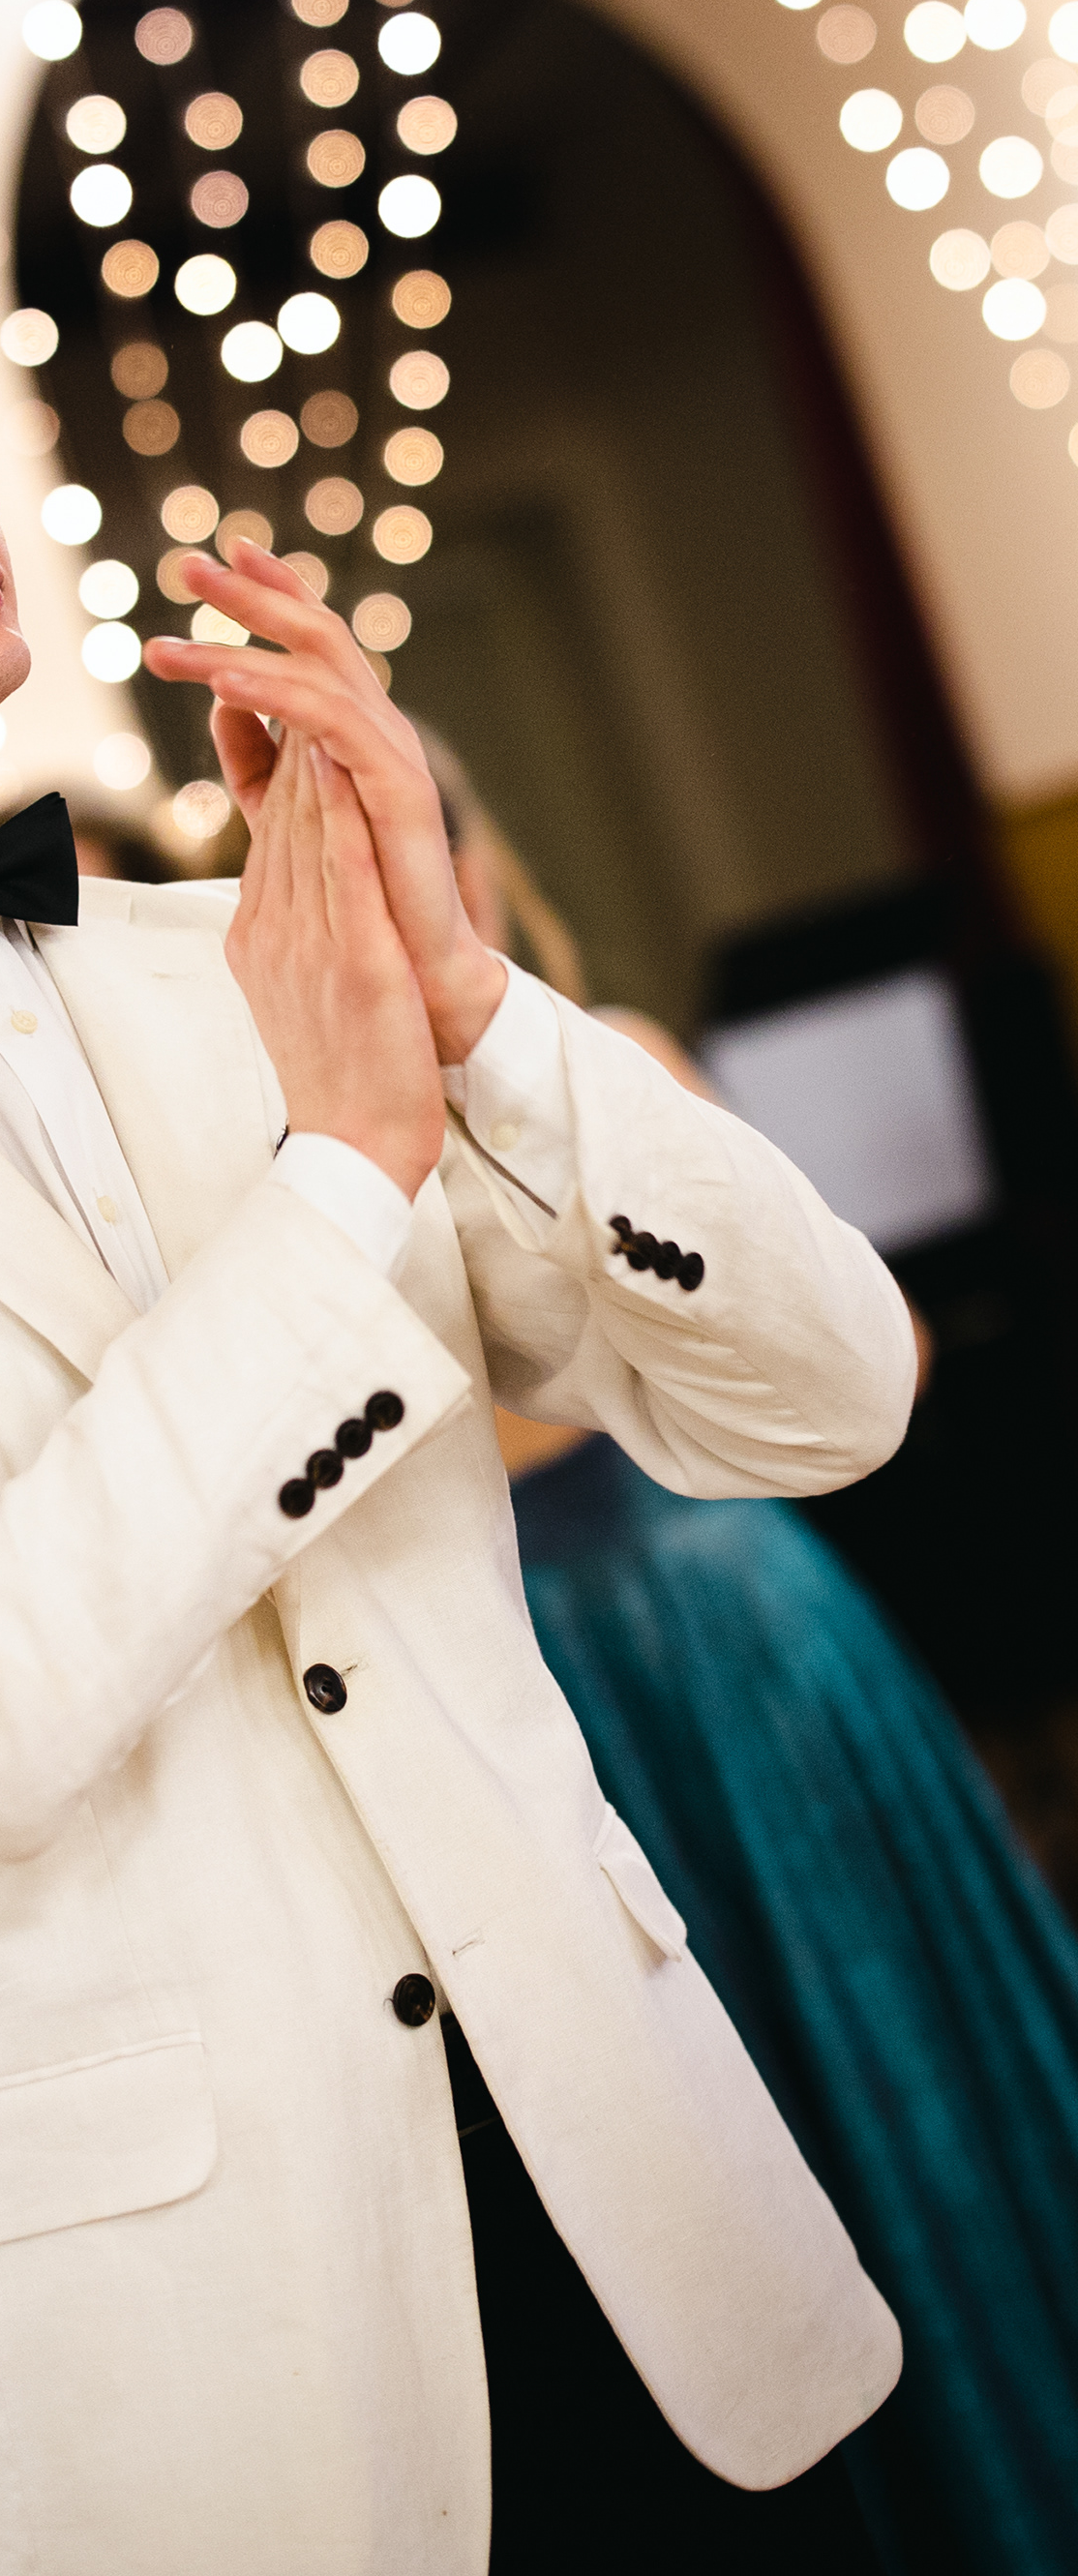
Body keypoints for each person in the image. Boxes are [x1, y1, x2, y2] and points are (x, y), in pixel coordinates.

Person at [0, 195, 919, 2576]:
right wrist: (338, 1179)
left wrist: (475, 1002)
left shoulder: (255, 962)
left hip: (655, 2238)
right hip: (223, 2360)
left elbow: (827, 1401)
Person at [419, 747, 1078, 2575]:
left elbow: (877, 1362)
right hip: (552, 1692)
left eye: (437, 830)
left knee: (896, 2055)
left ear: (484, 860)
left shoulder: (606, 1059)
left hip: (737, 1639)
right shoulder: (300, 1149)